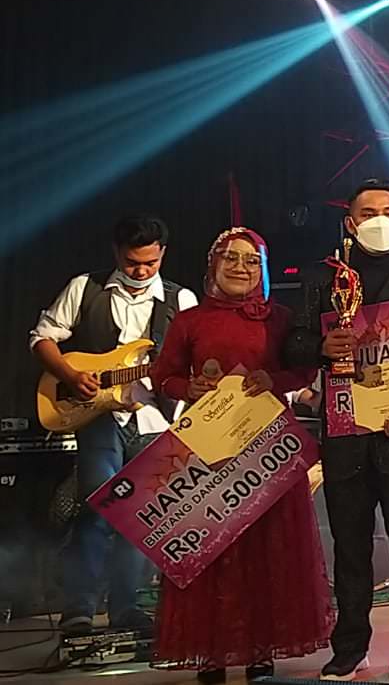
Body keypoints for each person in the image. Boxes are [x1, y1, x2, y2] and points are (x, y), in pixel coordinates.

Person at [148, 227, 331, 683]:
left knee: (268, 548)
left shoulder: (282, 318)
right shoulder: (189, 320)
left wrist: (275, 381)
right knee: (212, 547)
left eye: (252, 261)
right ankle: (210, 653)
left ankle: (260, 651)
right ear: (213, 264)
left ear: (263, 269)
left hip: (268, 447)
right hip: (210, 447)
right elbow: (163, 377)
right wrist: (187, 388)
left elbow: (303, 370)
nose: (241, 267)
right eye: (231, 258)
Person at [283, 178, 389, 682]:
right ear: (349, 223)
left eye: (388, 211)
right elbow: (291, 344)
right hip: (345, 433)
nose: (379, 220)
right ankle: (349, 647)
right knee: (350, 547)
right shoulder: (323, 279)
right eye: (368, 213)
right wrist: (319, 348)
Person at [30, 215, 197, 636]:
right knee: (96, 510)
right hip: (99, 416)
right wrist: (70, 377)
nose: (140, 272)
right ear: (116, 253)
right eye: (131, 263)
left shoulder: (181, 300)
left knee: (142, 517)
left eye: (150, 263)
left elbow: (195, 355)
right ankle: (79, 610)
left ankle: (127, 607)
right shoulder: (85, 287)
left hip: (155, 418)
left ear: (163, 254)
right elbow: (41, 338)